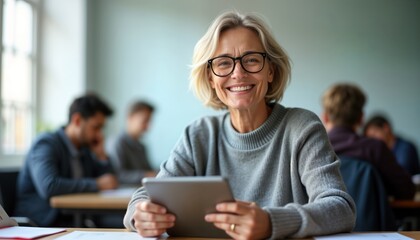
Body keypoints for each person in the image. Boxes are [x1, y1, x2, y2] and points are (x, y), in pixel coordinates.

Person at [123, 11, 355, 239]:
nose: (238, 73)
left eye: (252, 60)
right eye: (224, 63)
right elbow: (146, 195)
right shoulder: (198, 135)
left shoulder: (302, 127)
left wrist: (271, 223)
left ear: (270, 71)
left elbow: (340, 208)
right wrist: (140, 214)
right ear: (211, 79)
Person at [15, 93, 119, 226]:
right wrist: (97, 184)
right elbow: (49, 186)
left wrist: (102, 156)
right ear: (77, 120)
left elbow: (110, 181)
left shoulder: (85, 149)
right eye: (96, 127)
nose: (99, 134)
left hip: (74, 221)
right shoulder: (46, 144)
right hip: (41, 224)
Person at [321, 83, 415, 200]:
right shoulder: (375, 148)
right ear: (361, 119)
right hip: (370, 217)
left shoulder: (317, 149)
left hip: (327, 218)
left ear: (325, 117)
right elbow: (407, 190)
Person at [106, 100, 156, 185]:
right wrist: (145, 175)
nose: (148, 126)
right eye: (145, 121)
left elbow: (150, 171)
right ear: (130, 117)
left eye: (149, 121)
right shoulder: (116, 143)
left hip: (140, 192)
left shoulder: (141, 147)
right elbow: (118, 175)